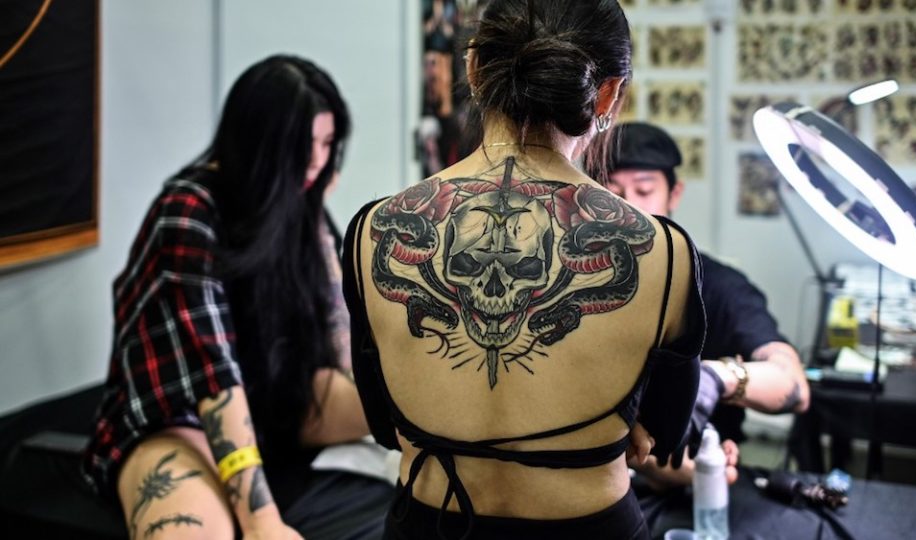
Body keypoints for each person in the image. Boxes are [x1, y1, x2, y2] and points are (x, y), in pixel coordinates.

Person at [342, 1, 707, 539]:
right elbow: (661, 436)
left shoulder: (374, 230)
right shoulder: (664, 250)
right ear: (608, 94)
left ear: (472, 70)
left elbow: (384, 425)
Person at [82, 55, 376, 540]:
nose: (318, 161)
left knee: (405, 408)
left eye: (327, 145)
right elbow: (214, 380)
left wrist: (318, 224)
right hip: (179, 418)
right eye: (303, 147)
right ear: (260, 144)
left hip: (276, 405)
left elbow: (342, 351)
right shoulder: (187, 211)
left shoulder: (300, 207)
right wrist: (262, 520)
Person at [608, 121, 810, 491]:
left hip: (703, 483)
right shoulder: (577, 288)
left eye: (644, 190)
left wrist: (715, 379)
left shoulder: (720, 288)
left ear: (674, 193)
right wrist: (647, 464)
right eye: (612, 191)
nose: (628, 207)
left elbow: (792, 382)